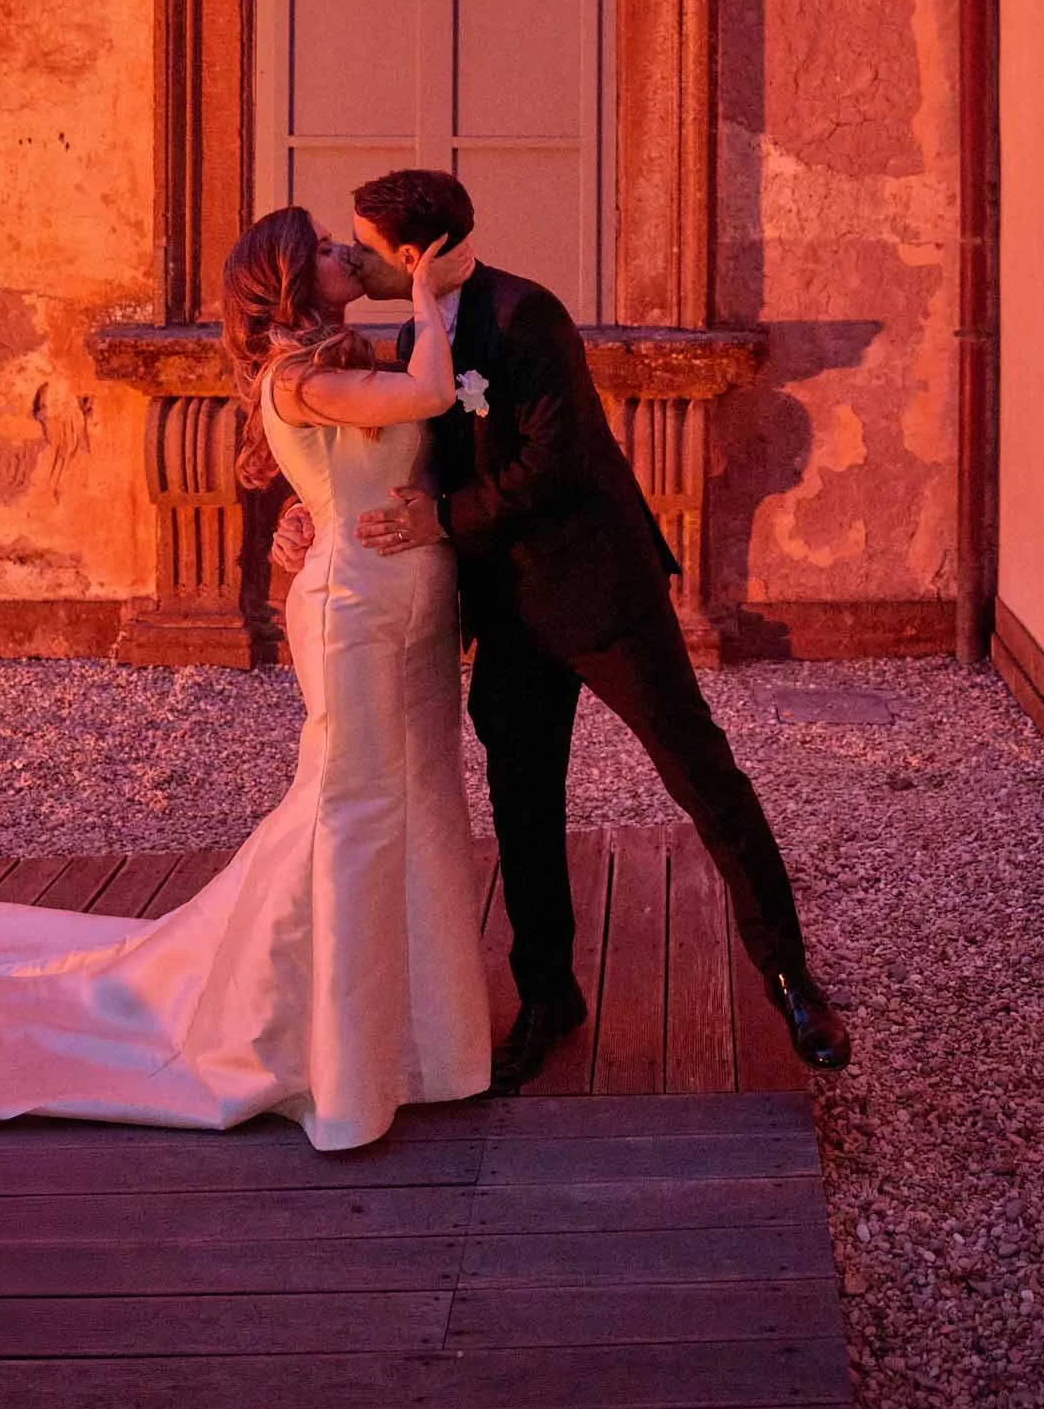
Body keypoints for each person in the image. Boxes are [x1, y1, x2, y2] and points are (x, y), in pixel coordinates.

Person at [0, 209, 490, 1156]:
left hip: (414, 597)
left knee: (423, 800)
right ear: (285, 280)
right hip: (352, 610)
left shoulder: (342, 361)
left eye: (338, 242)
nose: (341, 255)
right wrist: (419, 288)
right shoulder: (297, 375)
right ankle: (318, 1053)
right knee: (350, 809)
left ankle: (424, 1050)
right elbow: (429, 395)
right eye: (324, 249)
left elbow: (390, 448)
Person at [275, 167, 850, 1092]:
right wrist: (307, 509)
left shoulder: (525, 315)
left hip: (598, 594)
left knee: (700, 773)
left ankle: (791, 979)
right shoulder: (408, 336)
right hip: (505, 613)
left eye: (364, 250)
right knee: (524, 803)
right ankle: (547, 995)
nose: (353, 262)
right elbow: (357, 434)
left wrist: (442, 522)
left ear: (413, 257)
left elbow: (558, 457)